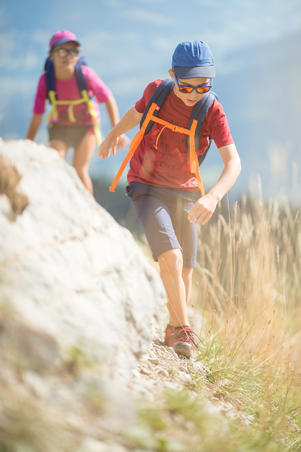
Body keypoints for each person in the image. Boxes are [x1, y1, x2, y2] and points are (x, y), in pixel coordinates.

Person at [99, 40, 241, 358]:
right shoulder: (157, 91)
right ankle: (183, 330)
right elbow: (135, 115)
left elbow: (234, 162)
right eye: (185, 86)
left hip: (186, 192)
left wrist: (214, 196)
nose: (193, 94)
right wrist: (112, 134)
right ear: (171, 76)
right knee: (172, 257)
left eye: (202, 86)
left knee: (186, 268)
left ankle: (174, 328)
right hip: (146, 185)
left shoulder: (212, 109)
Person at [26, 30, 128, 194]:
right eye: (62, 51)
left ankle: (89, 211)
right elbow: (37, 115)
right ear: (51, 55)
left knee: (79, 169)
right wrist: (28, 145)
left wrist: (117, 130)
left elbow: (108, 98)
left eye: (73, 51)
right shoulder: (46, 80)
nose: (68, 55)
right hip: (60, 128)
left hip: (86, 127)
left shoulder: (86, 75)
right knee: (54, 164)